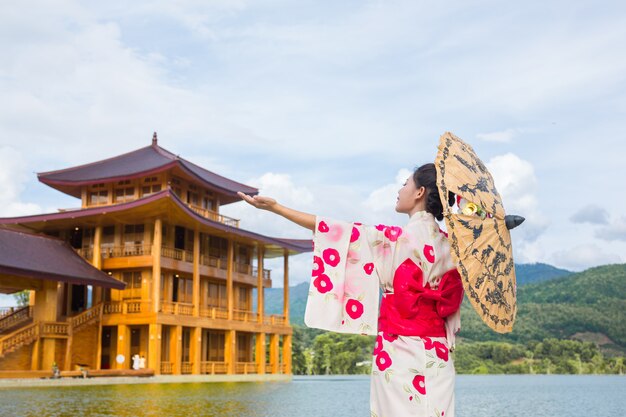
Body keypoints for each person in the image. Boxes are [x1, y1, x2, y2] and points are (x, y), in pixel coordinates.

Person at [238, 163, 464, 417]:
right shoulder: (454, 247)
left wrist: (277, 208)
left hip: (399, 345)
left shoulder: (392, 238)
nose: (400, 189)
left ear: (420, 192)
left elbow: (331, 230)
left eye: (405, 184)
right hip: (438, 351)